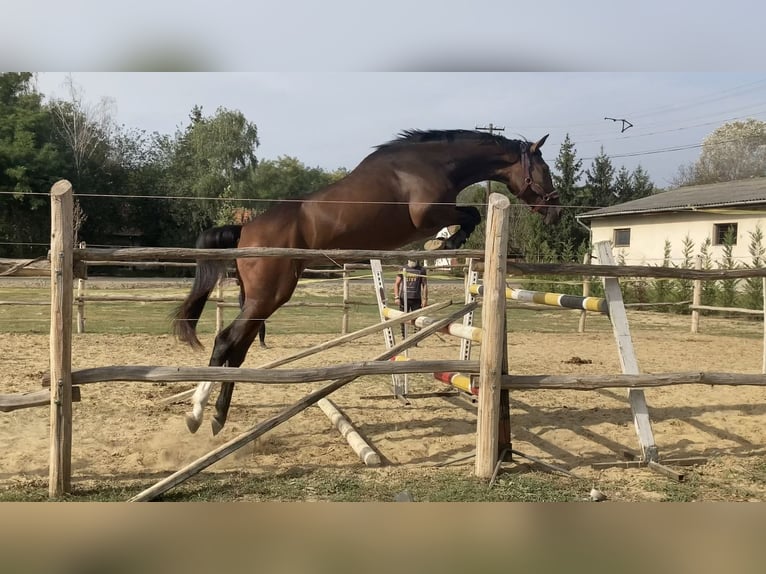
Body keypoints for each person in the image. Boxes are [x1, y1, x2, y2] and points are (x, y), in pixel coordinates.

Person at [393, 259, 428, 338]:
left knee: (417, 319)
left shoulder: (421, 270)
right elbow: (397, 283)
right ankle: (404, 337)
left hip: (416, 298)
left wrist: (425, 299)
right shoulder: (402, 268)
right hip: (404, 298)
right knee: (402, 318)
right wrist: (396, 297)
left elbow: (424, 284)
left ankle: (415, 338)